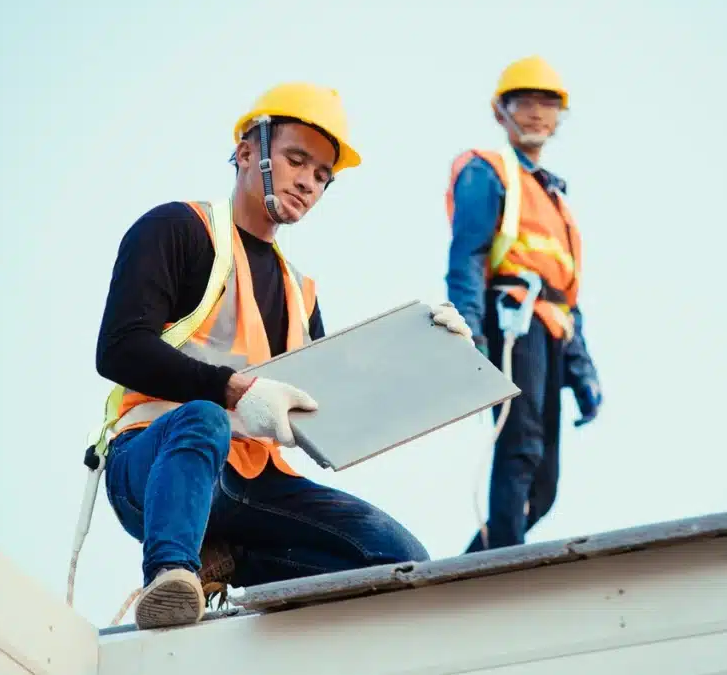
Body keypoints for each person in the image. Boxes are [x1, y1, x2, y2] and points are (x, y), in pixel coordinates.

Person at [94, 81, 473, 630]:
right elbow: (119, 349)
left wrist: (435, 358)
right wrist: (231, 390)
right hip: (156, 467)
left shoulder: (301, 292)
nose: (308, 183)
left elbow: (334, 414)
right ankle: (172, 578)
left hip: (250, 484)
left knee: (399, 560)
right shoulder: (179, 230)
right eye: (297, 160)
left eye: (323, 176)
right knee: (201, 417)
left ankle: (229, 558)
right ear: (247, 152)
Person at [444, 56, 602, 553]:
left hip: (551, 329)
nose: (536, 113)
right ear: (500, 111)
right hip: (512, 322)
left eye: (547, 104)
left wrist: (583, 371)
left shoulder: (554, 196)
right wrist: (468, 332)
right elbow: (466, 255)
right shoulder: (488, 172)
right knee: (520, 450)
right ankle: (503, 569)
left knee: (544, 484)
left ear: (560, 117)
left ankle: (474, 566)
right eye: (524, 102)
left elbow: (567, 297)